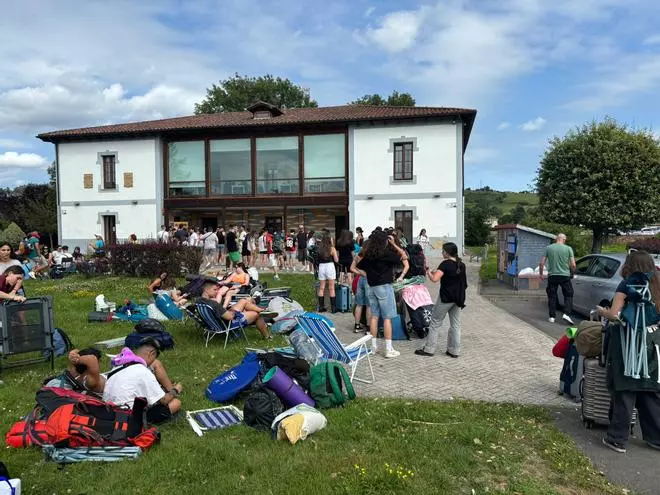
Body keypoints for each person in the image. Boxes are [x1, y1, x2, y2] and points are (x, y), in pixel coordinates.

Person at [596, 250, 660, 454]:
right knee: (650, 389)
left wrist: (602, 312)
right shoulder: (657, 284)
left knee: (625, 389)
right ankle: (656, 437)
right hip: (652, 342)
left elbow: (615, 316)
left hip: (627, 342)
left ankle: (617, 438)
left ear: (630, 266)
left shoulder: (626, 285)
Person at [103, 337, 182, 424]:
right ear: (151, 354)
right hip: (127, 417)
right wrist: (176, 390)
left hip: (108, 412)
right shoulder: (144, 371)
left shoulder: (118, 367)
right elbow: (164, 400)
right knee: (176, 403)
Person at [356, 230, 409, 358]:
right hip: (384, 287)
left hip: (372, 287)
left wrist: (368, 274)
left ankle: (373, 347)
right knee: (387, 318)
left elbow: (359, 266)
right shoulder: (386, 253)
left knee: (374, 316)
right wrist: (394, 244)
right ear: (384, 241)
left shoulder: (369, 254)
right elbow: (404, 256)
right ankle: (388, 349)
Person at [415, 242, 468, 359]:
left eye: (443, 251)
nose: (441, 253)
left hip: (446, 298)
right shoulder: (461, 265)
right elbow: (463, 283)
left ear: (447, 253)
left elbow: (434, 279)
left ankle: (429, 349)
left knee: (435, 322)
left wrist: (429, 272)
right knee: (455, 325)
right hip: (458, 298)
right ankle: (454, 350)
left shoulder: (445, 264)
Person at [198, 281, 275, 339]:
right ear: (206, 290)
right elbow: (230, 317)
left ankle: (262, 310)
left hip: (220, 320)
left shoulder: (198, 301)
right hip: (229, 323)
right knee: (256, 315)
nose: (217, 291)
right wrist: (239, 311)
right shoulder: (213, 304)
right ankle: (267, 336)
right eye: (214, 289)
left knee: (243, 301)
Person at [539, 233, 576, 325]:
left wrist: (541, 274)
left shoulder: (549, 248)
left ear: (557, 239)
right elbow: (573, 264)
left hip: (552, 275)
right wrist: (572, 272)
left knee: (552, 295)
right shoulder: (568, 249)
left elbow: (541, 263)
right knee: (569, 294)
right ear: (563, 240)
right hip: (565, 276)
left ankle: (552, 317)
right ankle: (566, 313)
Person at [316, 232, 339, 313]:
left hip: (321, 267)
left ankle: (321, 308)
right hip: (330, 266)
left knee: (322, 287)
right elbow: (336, 260)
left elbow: (317, 260)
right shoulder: (332, 248)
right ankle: (333, 309)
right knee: (331, 288)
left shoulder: (319, 248)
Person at [350, 248, 371, 333]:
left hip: (360, 280)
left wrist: (359, 273)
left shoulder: (358, 256)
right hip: (369, 280)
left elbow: (352, 268)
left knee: (359, 304)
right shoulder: (370, 256)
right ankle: (369, 328)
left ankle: (357, 326)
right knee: (369, 305)